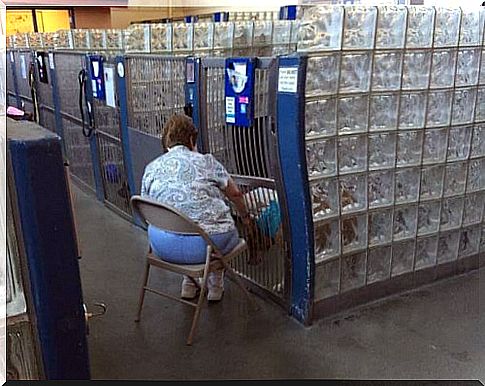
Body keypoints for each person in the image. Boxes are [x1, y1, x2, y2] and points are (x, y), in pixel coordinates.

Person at [141, 114, 251, 302]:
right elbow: (235, 194)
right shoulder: (207, 162)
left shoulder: (152, 168)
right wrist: (246, 218)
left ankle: (190, 283)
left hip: (162, 246)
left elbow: (146, 206)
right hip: (206, 248)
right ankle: (215, 285)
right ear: (192, 139)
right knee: (216, 229)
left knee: (183, 221)